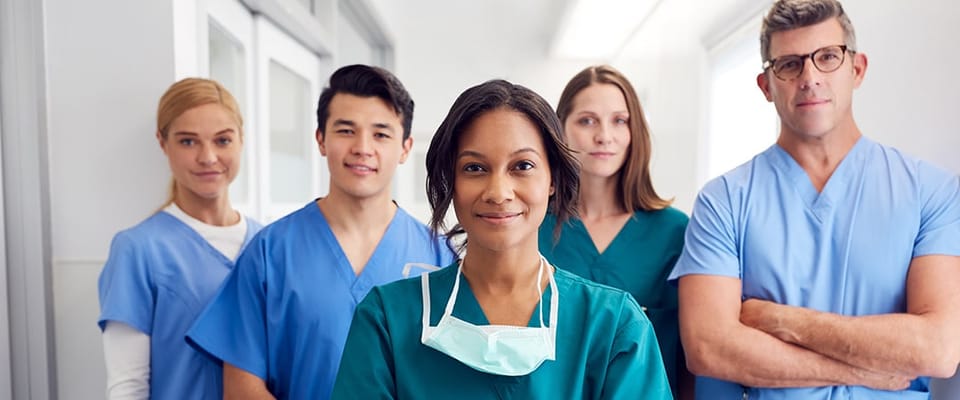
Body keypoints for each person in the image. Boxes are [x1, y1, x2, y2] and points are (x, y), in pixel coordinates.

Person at [669, 1, 960, 399]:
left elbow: (938, 348)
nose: (809, 78)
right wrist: (869, 370)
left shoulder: (932, 192)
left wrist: (779, 320)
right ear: (765, 86)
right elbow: (709, 348)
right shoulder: (723, 202)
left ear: (856, 70)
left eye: (827, 57)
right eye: (789, 64)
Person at [331, 79, 673, 399]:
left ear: (552, 179)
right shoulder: (387, 319)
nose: (498, 192)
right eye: (474, 168)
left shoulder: (613, 325)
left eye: (522, 166)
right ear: (450, 181)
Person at [186, 64, 456, 400]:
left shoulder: (441, 257)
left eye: (381, 134)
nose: (362, 147)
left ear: (404, 147)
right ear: (321, 139)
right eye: (345, 130)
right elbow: (242, 387)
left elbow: (451, 381)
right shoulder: (271, 252)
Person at [97, 77, 263, 399]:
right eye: (188, 142)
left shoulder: (267, 243)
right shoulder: (138, 250)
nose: (208, 157)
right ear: (163, 143)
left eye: (223, 141)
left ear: (242, 140)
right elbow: (127, 388)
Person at [539, 65, 692, 399]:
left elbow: (689, 356)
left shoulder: (675, 232)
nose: (604, 136)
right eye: (587, 120)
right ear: (560, 130)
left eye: (619, 121)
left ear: (634, 131)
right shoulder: (532, 230)